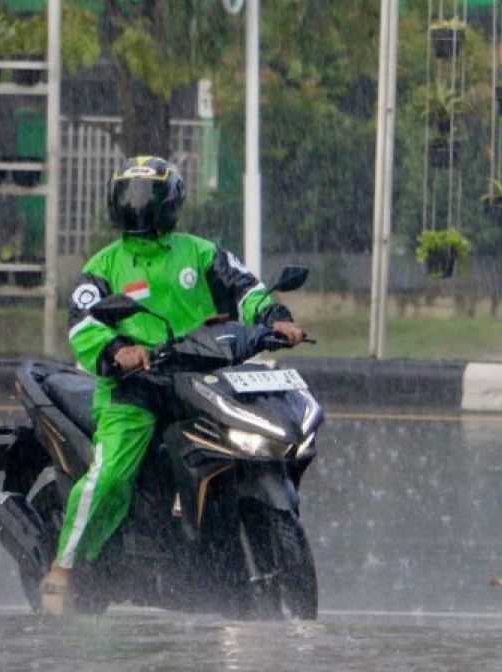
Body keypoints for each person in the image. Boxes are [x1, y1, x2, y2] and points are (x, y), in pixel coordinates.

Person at [40, 156, 305, 615]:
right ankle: (62, 570)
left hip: (200, 379)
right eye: (130, 198)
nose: (137, 208)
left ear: (170, 203)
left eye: (146, 199)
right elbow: (83, 326)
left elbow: (246, 288)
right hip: (133, 389)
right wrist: (118, 351)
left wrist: (276, 319)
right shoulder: (104, 266)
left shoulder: (200, 253)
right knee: (112, 476)